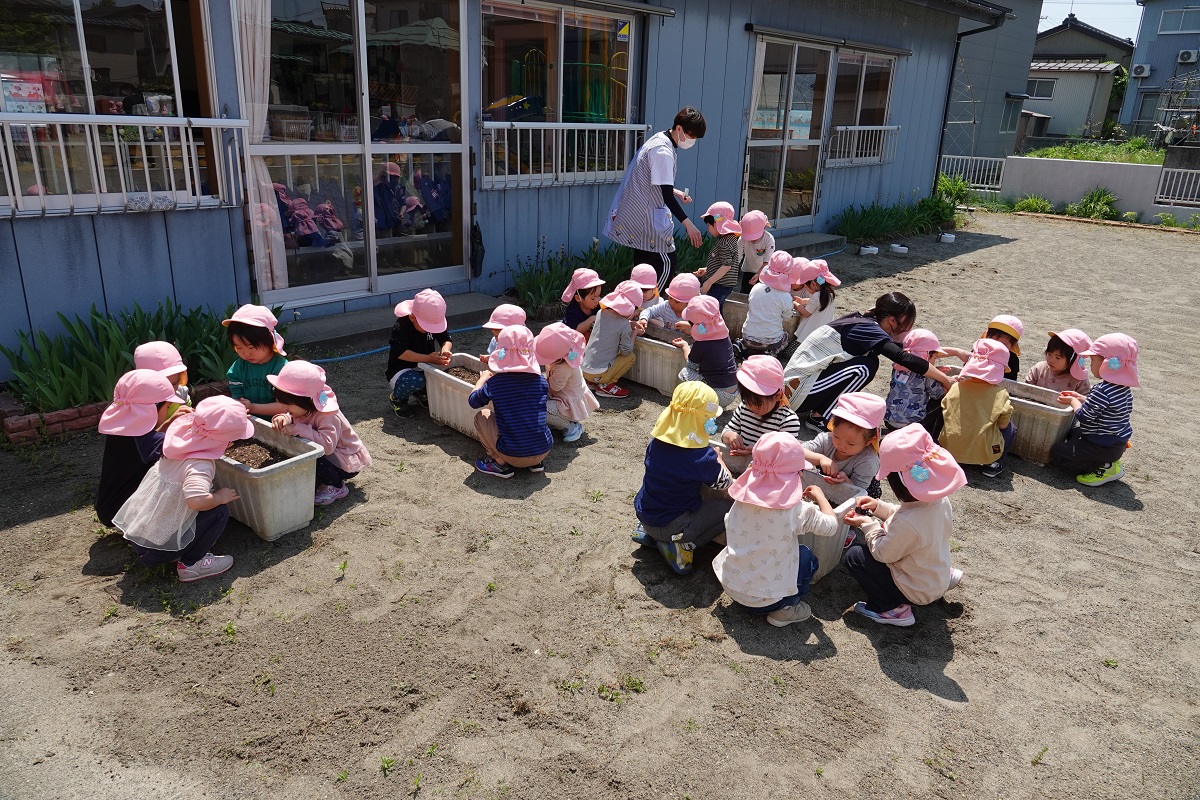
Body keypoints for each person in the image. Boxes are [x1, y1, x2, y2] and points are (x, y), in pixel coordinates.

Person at [112, 396, 253, 583]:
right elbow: (196, 501)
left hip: (140, 538)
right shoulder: (200, 465)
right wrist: (219, 496)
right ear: (226, 442)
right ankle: (191, 564)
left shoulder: (175, 446)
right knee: (218, 512)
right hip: (159, 549)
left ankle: (175, 548)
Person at [842, 423, 967, 627]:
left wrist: (868, 524)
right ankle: (941, 579)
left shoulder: (909, 524)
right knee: (927, 548)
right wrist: (879, 507)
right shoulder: (938, 501)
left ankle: (892, 609)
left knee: (856, 557)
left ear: (901, 482)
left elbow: (883, 553)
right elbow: (906, 515)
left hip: (913, 590)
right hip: (933, 574)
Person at [713, 433, 839, 627]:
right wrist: (821, 497)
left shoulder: (743, 496)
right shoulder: (797, 510)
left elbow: (729, 520)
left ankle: (754, 594)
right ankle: (786, 608)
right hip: (766, 601)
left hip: (730, 585)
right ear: (798, 474)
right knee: (805, 556)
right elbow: (831, 527)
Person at [783, 291, 952, 431]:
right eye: (906, 325)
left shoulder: (864, 321)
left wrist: (957, 353)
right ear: (892, 321)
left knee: (869, 360)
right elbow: (904, 357)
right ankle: (819, 419)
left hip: (798, 387)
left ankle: (821, 412)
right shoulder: (868, 329)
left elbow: (909, 351)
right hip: (795, 393)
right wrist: (944, 379)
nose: (907, 330)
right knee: (865, 367)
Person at [632, 382, 733, 575]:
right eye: (709, 418)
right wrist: (719, 459)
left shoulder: (657, 442)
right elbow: (726, 484)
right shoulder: (701, 457)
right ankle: (680, 546)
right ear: (701, 420)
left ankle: (648, 533)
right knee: (729, 508)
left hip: (646, 514)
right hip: (673, 526)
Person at [603, 107, 706, 293]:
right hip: (647, 217)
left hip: (637, 213)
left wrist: (675, 192)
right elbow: (664, 194)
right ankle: (659, 306)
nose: (693, 141)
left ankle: (638, 308)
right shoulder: (663, 152)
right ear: (679, 129)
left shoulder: (659, 139)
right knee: (667, 262)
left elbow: (655, 182)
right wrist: (688, 224)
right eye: (692, 136)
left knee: (642, 271)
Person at [95, 369, 191, 527]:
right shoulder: (146, 441)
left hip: (109, 506)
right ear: (151, 409)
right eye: (167, 407)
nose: (168, 412)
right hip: (123, 513)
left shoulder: (123, 431)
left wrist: (168, 423)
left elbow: (149, 444)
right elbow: (187, 446)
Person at [269, 360, 372, 506]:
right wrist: (284, 417)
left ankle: (336, 486)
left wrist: (298, 429)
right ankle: (325, 479)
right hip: (333, 456)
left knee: (315, 458)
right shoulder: (305, 408)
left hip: (344, 459)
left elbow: (327, 446)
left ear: (306, 401)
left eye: (288, 405)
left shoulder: (328, 415)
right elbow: (295, 416)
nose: (284, 408)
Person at [1050, 333, 1138, 486]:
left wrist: (1073, 401)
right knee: (1072, 433)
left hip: (1102, 445)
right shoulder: (1122, 388)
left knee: (1058, 453)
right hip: (1115, 442)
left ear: (1108, 363)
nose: (1091, 366)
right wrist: (1080, 397)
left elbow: (1084, 417)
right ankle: (1108, 460)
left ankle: (1104, 467)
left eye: (1093, 361)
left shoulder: (1102, 390)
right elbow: (1107, 408)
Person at [469, 325, 554, 478]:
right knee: (530, 415)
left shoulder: (496, 382)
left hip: (513, 454)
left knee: (481, 415)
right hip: (543, 450)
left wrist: (481, 381)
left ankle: (499, 463)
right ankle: (535, 464)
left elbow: (473, 401)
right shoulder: (540, 380)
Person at [939, 339, 1015, 479]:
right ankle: (993, 463)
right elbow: (1003, 425)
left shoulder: (956, 387)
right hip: (985, 452)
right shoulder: (1000, 393)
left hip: (950, 449)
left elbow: (945, 409)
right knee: (1010, 427)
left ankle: (955, 457)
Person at [801, 391, 885, 504]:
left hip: (855, 495)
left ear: (868, 441)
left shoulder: (868, 461)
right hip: (825, 487)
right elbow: (798, 451)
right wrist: (821, 459)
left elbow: (859, 492)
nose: (841, 445)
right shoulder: (827, 440)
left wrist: (846, 481)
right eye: (836, 436)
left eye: (851, 444)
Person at [721, 356, 802, 462]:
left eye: (757, 403)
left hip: (767, 471)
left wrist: (757, 450)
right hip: (742, 464)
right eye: (746, 400)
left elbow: (786, 454)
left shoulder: (787, 420)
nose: (751, 407)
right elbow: (726, 432)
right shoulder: (744, 407)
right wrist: (731, 436)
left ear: (777, 396)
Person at [387, 289, 453, 417]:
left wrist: (445, 350)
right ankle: (397, 398)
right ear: (412, 317)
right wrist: (428, 358)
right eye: (427, 327)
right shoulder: (402, 326)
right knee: (416, 380)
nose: (431, 330)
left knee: (442, 378)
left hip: (426, 365)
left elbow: (446, 339)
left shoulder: (432, 319)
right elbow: (400, 353)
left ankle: (421, 393)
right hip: (402, 370)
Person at [534, 322, 598, 444]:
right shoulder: (563, 359)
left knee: (540, 408)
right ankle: (561, 420)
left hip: (569, 404)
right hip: (565, 398)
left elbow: (553, 389)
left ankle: (571, 427)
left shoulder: (563, 368)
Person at [223, 305, 289, 418]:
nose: (246, 353)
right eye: (239, 348)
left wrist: (252, 407)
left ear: (269, 341)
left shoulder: (282, 368)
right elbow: (238, 399)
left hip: (278, 424)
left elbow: (285, 406)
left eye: (251, 347)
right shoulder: (238, 368)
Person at [581, 280, 642, 399]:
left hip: (584, 369)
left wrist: (629, 324)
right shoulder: (623, 324)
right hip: (599, 373)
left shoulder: (601, 313)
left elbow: (611, 327)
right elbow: (626, 351)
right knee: (630, 357)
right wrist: (634, 333)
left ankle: (593, 382)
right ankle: (606, 385)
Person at [675, 295, 738, 407]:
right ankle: (716, 407)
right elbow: (707, 327)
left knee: (685, 373)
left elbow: (691, 365)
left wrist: (685, 346)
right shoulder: (724, 334)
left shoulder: (701, 345)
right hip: (733, 392)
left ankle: (707, 406)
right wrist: (691, 326)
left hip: (717, 396)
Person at [884, 328, 948, 435]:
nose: (935, 361)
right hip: (911, 424)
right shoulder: (926, 375)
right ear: (927, 355)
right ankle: (931, 436)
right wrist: (940, 378)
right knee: (943, 401)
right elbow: (938, 394)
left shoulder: (897, 366)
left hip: (889, 419)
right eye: (935, 358)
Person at [739, 251, 800, 359]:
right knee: (786, 336)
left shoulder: (756, 288)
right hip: (771, 341)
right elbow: (787, 317)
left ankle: (743, 347)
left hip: (747, 337)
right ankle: (771, 353)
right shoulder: (785, 297)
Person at [695, 201, 743, 311]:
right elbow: (722, 262)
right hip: (720, 283)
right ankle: (717, 327)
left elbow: (726, 266)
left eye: (708, 225)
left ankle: (717, 328)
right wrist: (707, 270)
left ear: (717, 223)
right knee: (715, 309)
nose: (708, 229)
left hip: (720, 284)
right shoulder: (726, 239)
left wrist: (709, 282)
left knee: (712, 310)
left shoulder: (725, 242)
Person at [944, 314, 1023, 379]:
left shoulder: (1013, 360)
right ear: (986, 336)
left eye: (1003, 345)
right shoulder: (979, 350)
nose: (995, 346)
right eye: (992, 341)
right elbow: (966, 372)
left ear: (1013, 345)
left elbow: (1010, 384)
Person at [789, 258, 841, 350]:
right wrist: (802, 300)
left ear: (813, 284)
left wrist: (796, 304)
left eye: (805, 286)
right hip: (824, 331)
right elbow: (815, 302)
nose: (805, 288)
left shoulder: (816, 296)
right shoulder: (829, 293)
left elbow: (806, 313)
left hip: (810, 333)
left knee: (789, 352)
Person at [1026, 329, 1092, 394]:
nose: (1051, 360)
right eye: (1049, 354)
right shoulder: (1039, 369)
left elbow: (1084, 401)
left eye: (1058, 358)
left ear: (1073, 359)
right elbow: (1025, 389)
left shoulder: (1079, 380)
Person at [134, 341, 190, 409]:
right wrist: (172, 420)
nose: (170, 390)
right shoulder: (135, 402)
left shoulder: (181, 394)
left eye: (174, 383)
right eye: (162, 386)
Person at [561, 267, 606, 340]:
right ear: (578, 298)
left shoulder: (599, 305)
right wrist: (591, 320)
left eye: (599, 296)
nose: (597, 300)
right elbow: (574, 330)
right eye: (593, 298)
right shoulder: (572, 312)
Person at [738, 210, 774, 292]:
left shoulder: (769, 239)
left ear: (764, 228)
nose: (752, 239)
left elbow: (767, 261)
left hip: (764, 272)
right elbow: (737, 257)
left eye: (755, 235)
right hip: (747, 270)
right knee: (745, 293)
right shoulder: (742, 239)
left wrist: (758, 274)